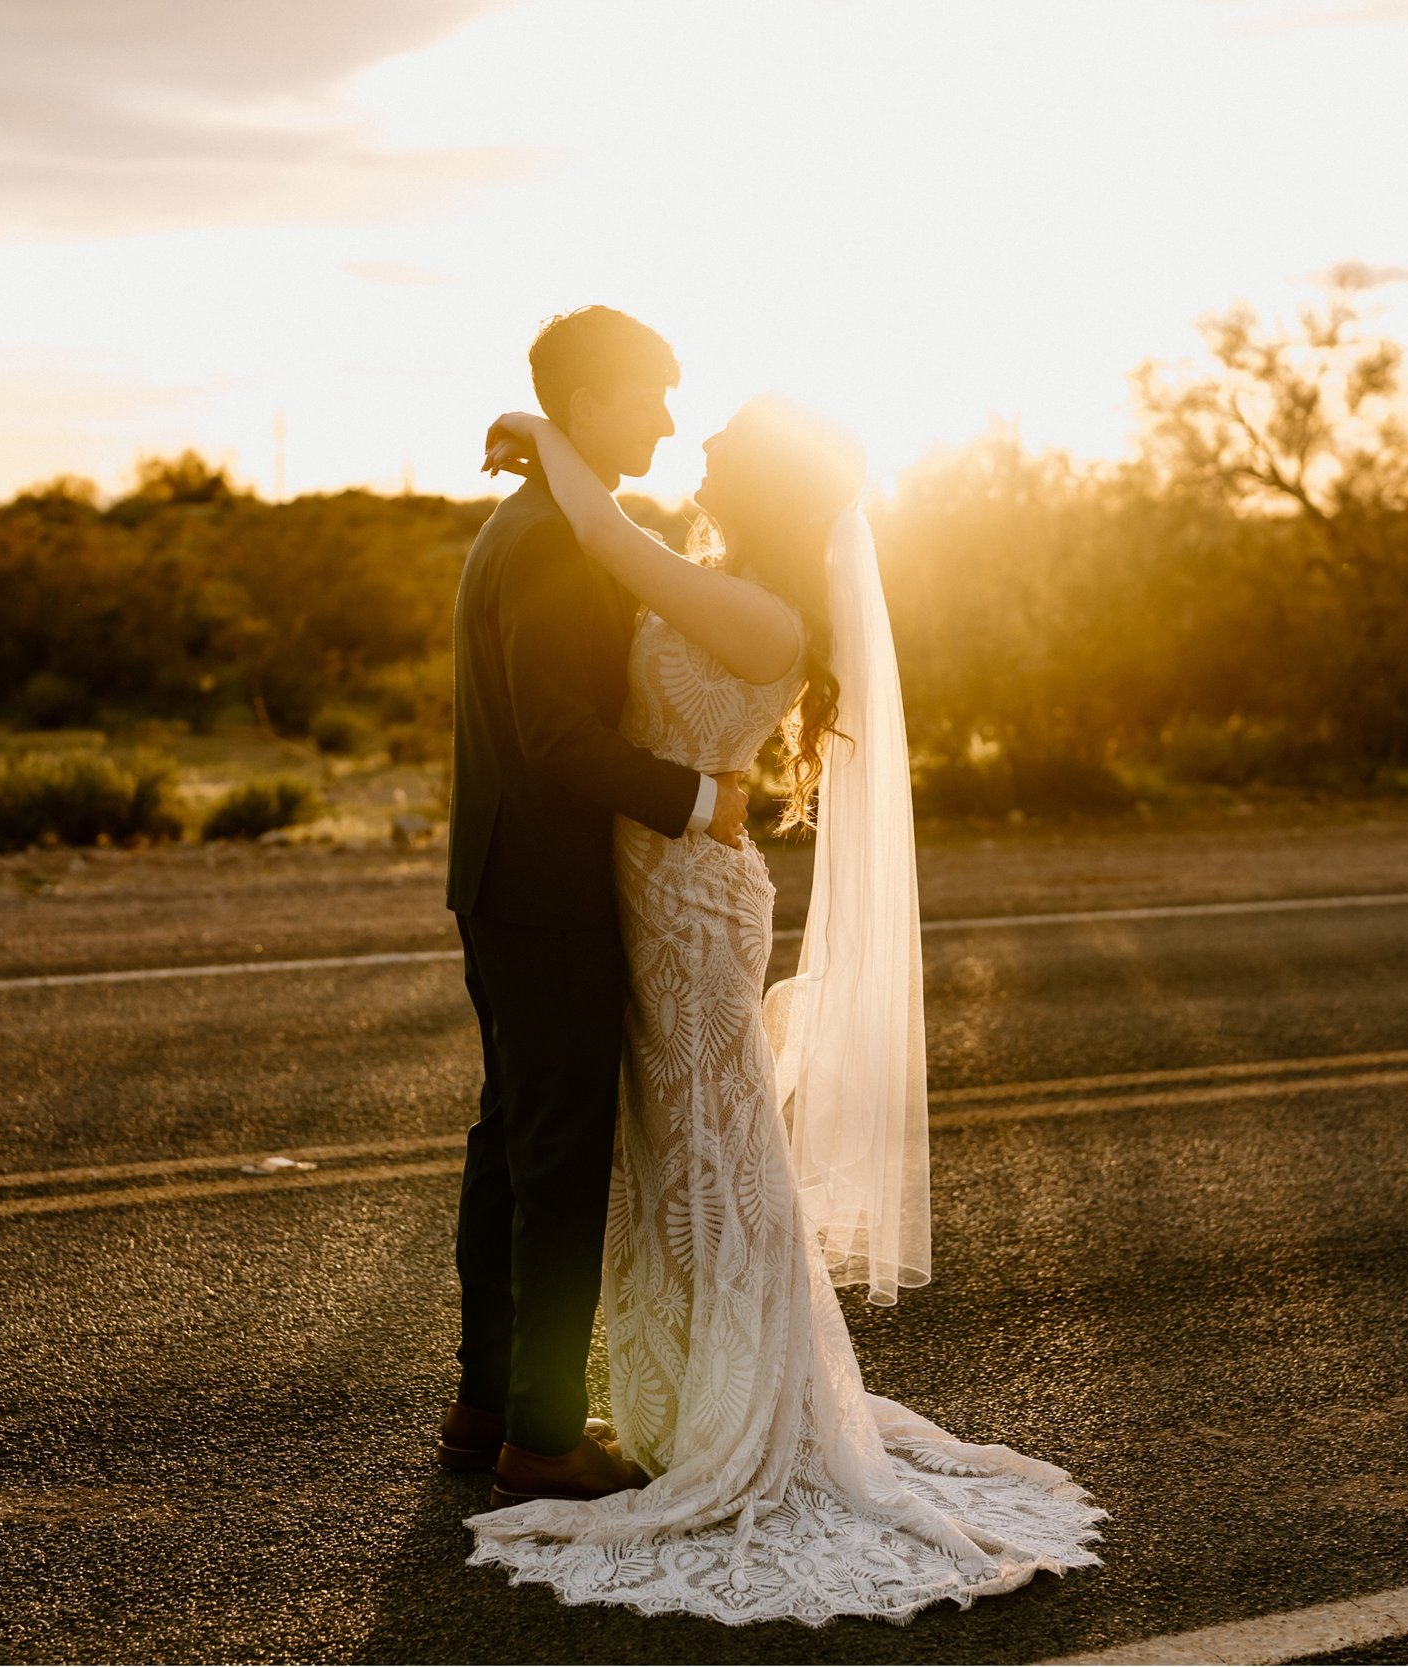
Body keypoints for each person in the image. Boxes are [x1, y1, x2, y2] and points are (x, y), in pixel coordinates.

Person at [459, 388, 1104, 1625]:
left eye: (721, 444)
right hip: (644, 885)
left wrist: (549, 436)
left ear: (763, 485)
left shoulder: (762, 612)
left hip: (692, 898)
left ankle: (750, 1407)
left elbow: (611, 544)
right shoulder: (725, 577)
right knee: (663, 1145)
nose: (694, 442)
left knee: (715, 1137)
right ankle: (681, 1389)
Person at [440, 307, 751, 1508]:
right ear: (588, 408)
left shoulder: (530, 521)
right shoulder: (554, 545)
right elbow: (556, 734)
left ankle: (484, 1403)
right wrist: (698, 794)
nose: (669, 418)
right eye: (651, 395)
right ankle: (542, 1435)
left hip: (502, 877)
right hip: (547, 892)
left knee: (509, 1151)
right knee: (560, 1159)